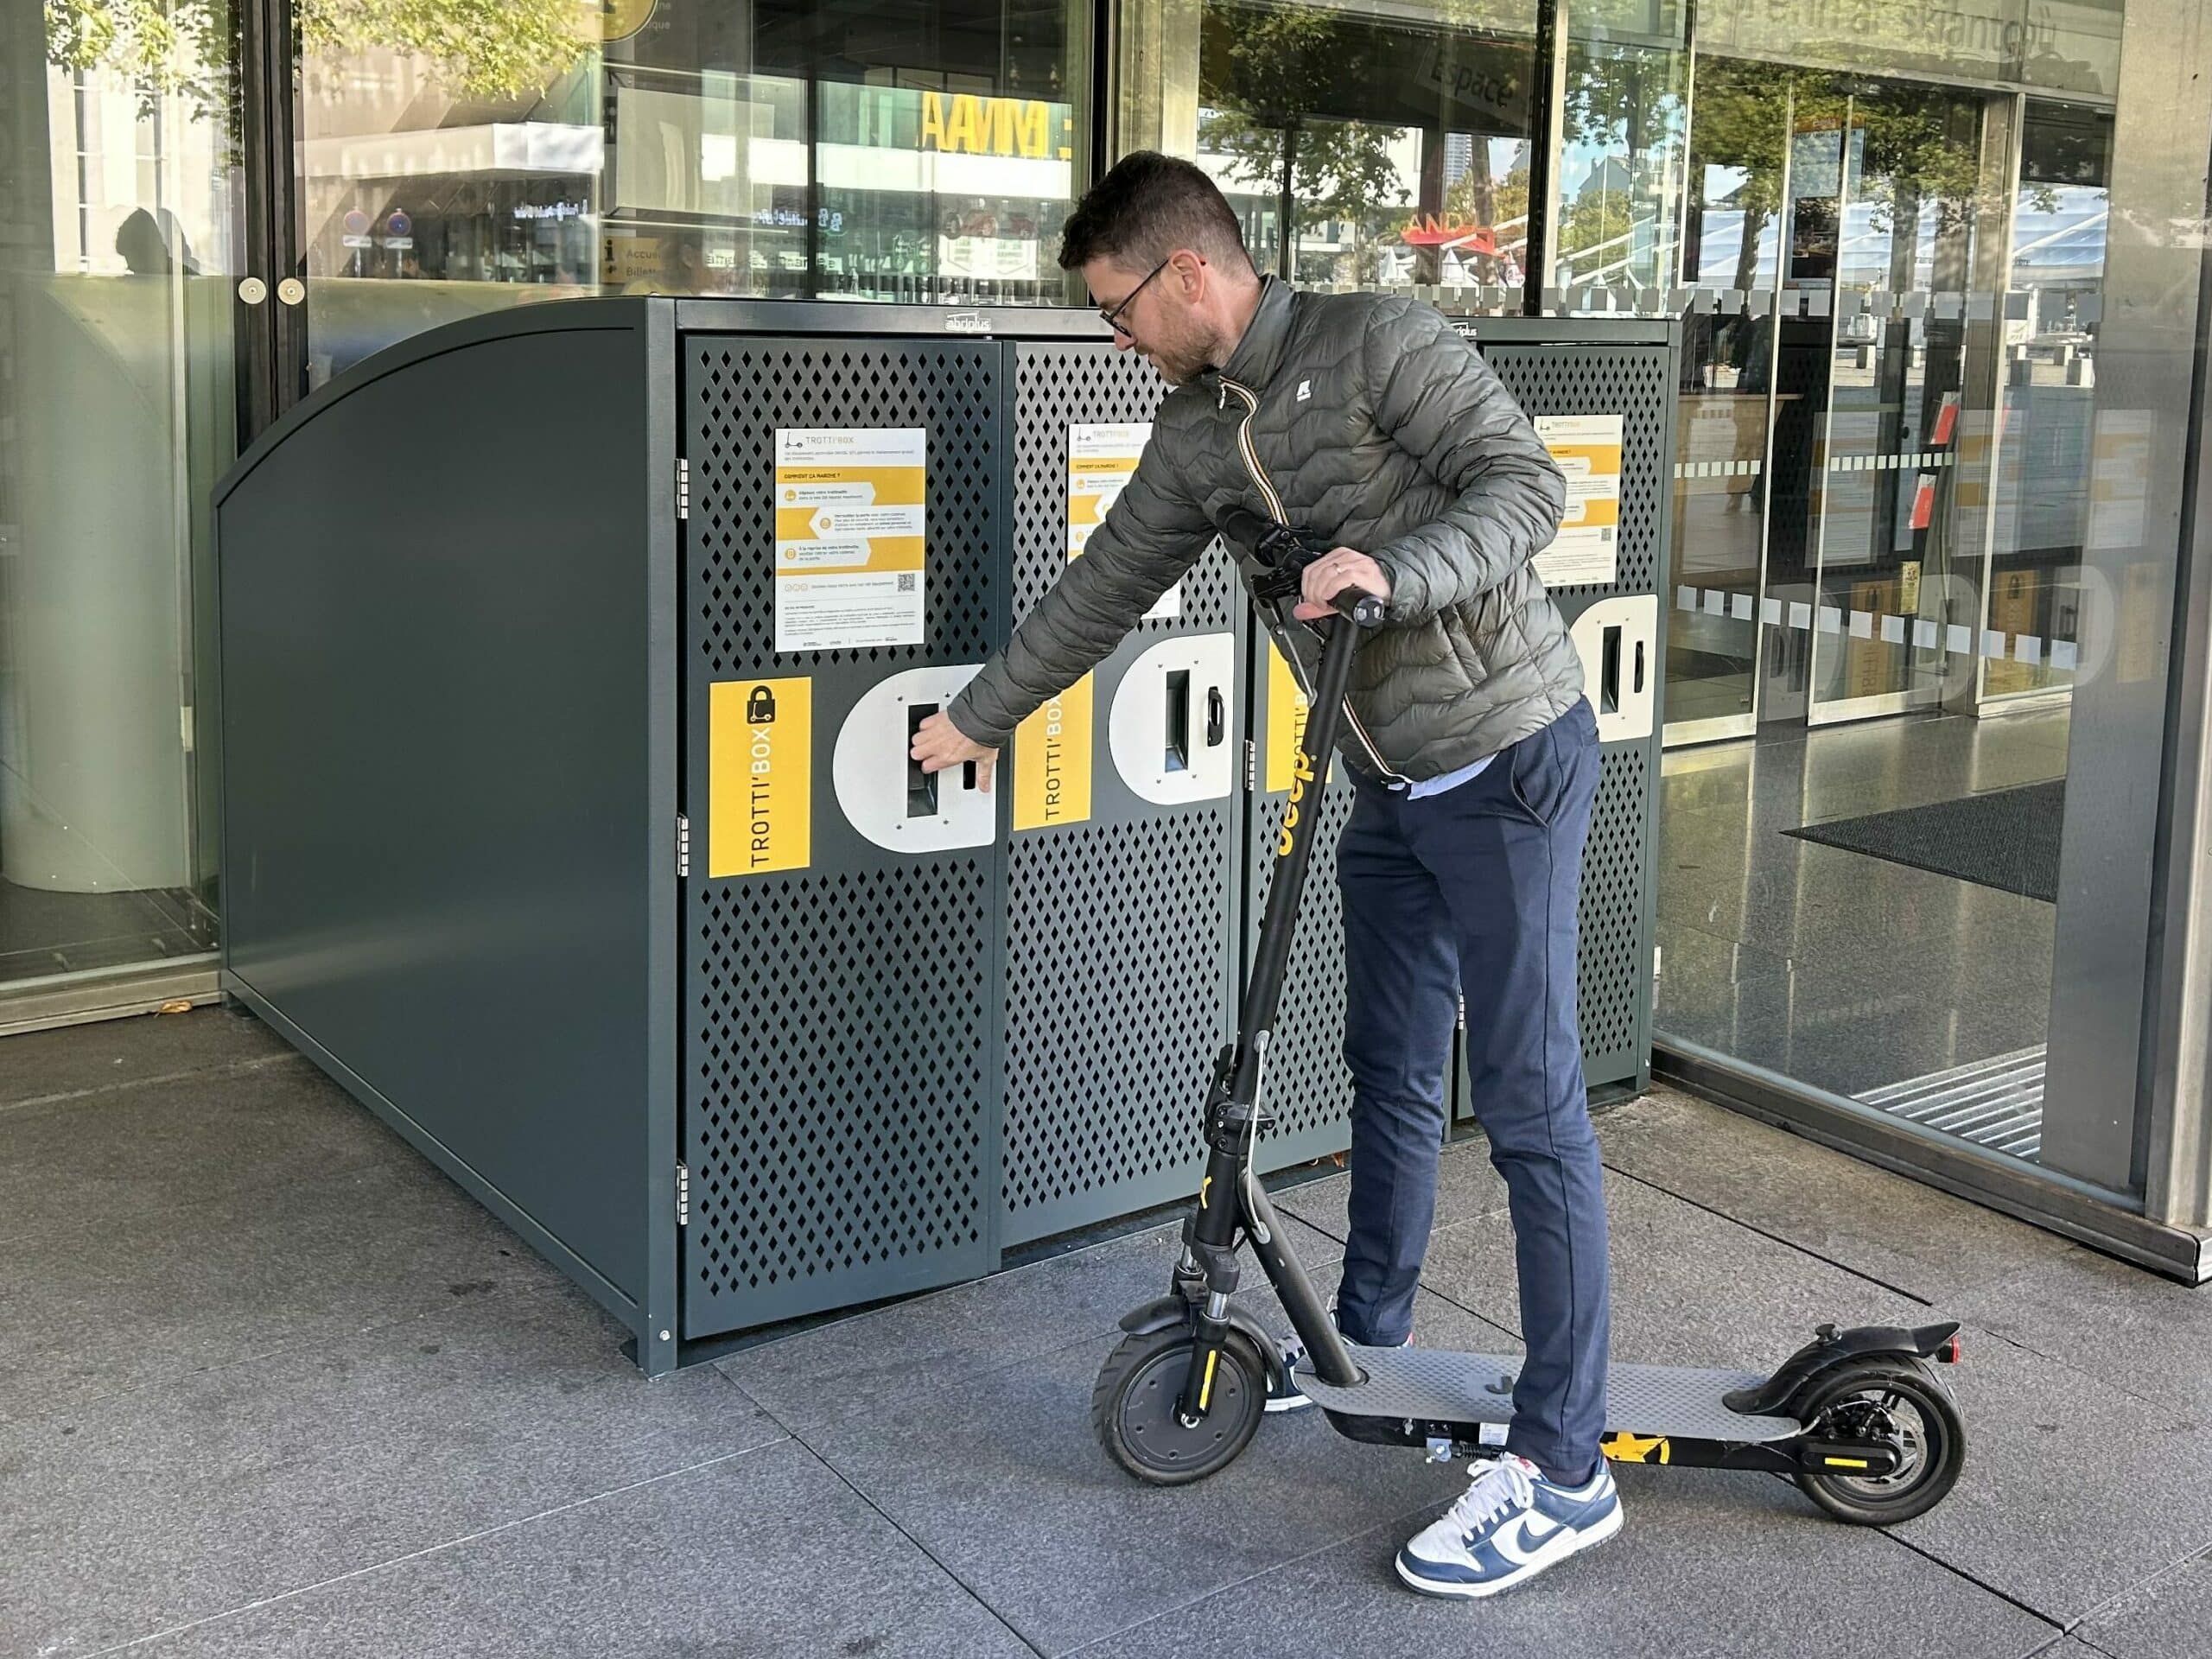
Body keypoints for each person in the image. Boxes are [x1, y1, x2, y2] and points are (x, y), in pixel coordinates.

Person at [909, 151, 1616, 1599]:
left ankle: (1564, 1467)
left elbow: (1527, 487)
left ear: (1186, 275)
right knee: (1391, 1071)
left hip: (1507, 757)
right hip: (1388, 781)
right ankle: (1362, 1338)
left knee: (1535, 1111)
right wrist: (977, 718)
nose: (1114, 339)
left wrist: (1387, 572)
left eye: (1117, 310)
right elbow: (1100, 587)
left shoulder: (1383, 342)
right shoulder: (1188, 437)